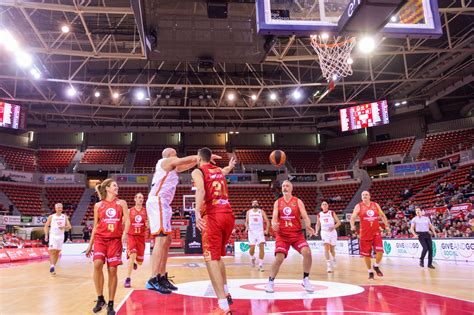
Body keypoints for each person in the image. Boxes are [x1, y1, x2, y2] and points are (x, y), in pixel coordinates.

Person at [146, 148, 220, 294]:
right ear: (169, 155)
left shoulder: (173, 168)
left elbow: (186, 165)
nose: (177, 154)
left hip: (164, 204)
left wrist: (200, 161)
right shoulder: (165, 161)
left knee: (166, 241)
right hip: (158, 201)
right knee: (161, 240)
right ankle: (153, 279)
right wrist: (202, 156)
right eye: (175, 152)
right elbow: (183, 161)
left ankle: (161, 276)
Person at [192, 147, 236, 314]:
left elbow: (201, 190)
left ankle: (223, 306)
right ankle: (226, 292)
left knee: (210, 259)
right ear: (210, 159)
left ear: (199, 157)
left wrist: (196, 212)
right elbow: (224, 170)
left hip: (213, 216)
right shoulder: (218, 170)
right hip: (228, 216)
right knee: (217, 258)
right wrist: (230, 166)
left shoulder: (198, 171)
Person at [85, 179, 130, 315]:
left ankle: (111, 303)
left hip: (115, 240)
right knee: (97, 264)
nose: (117, 187)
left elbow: (127, 220)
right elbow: (95, 227)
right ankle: (100, 299)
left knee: (112, 270)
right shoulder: (98, 205)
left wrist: (125, 235)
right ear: (108, 188)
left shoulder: (121, 203)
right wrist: (90, 245)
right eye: (114, 185)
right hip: (100, 239)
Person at [265, 180, 315, 293]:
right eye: (283, 186)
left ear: (291, 188)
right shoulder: (278, 202)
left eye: (287, 186)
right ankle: (270, 281)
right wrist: (273, 224)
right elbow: (273, 217)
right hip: (282, 235)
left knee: (307, 252)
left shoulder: (298, 201)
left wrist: (308, 226)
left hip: (297, 234)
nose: (285, 187)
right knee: (279, 258)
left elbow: (306, 216)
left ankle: (306, 279)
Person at [350, 191, 390, 280]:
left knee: (380, 251)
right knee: (366, 255)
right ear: (361, 197)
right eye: (363, 195)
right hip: (364, 234)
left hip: (376, 232)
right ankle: (370, 271)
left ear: (369, 196)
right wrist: (352, 225)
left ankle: (376, 266)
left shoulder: (375, 205)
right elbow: (352, 217)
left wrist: (386, 226)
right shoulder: (358, 206)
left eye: (366, 195)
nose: (364, 196)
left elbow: (382, 215)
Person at [124, 193, 148, 288]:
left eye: (142, 197)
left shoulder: (146, 212)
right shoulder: (129, 211)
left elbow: (148, 224)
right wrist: (124, 234)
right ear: (135, 199)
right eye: (138, 197)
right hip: (131, 236)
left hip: (141, 237)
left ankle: (133, 261)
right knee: (133, 253)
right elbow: (125, 222)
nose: (140, 199)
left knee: (140, 262)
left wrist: (147, 225)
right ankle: (128, 278)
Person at [44, 203, 72, 276]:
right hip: (53, 236)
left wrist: (64, 227)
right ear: (55, 208)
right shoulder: (51, 216)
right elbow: (46, 226)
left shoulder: (64, 217)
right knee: (53, 251)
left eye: (61, 207)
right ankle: (52, 266)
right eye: (58, 207)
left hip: (61, 236)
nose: (60, 208)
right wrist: (46, 235)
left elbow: (69, 226)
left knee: (57, 252)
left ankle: (53, 267)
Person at [315, 201, 341, 273]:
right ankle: (329, 265)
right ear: (321, 207)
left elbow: (339, 222)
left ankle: (334, 258)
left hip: (332, 232)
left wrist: (334, 227)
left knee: (332, 249)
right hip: (324, 232)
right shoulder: (319, 214)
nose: (324, 205)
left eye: (325, 204)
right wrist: (316, 231)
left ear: (328, 206)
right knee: (326, 248)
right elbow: (317, 224)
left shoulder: (331, 212)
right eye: (323, 204)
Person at [245, 200, 270, 271]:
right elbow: (246, 222)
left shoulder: (261, 211)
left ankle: (261, 265)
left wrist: (267, 230)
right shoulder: (248, 212)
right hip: (251, 232)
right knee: (252, 249)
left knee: (261, 247)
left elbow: (267, 221)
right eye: (253, 202)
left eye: (256, 202)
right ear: (252, 204)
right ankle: (252, 257)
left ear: (258, 204)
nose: (255, 203)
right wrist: (247, 227)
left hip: (260, 232)